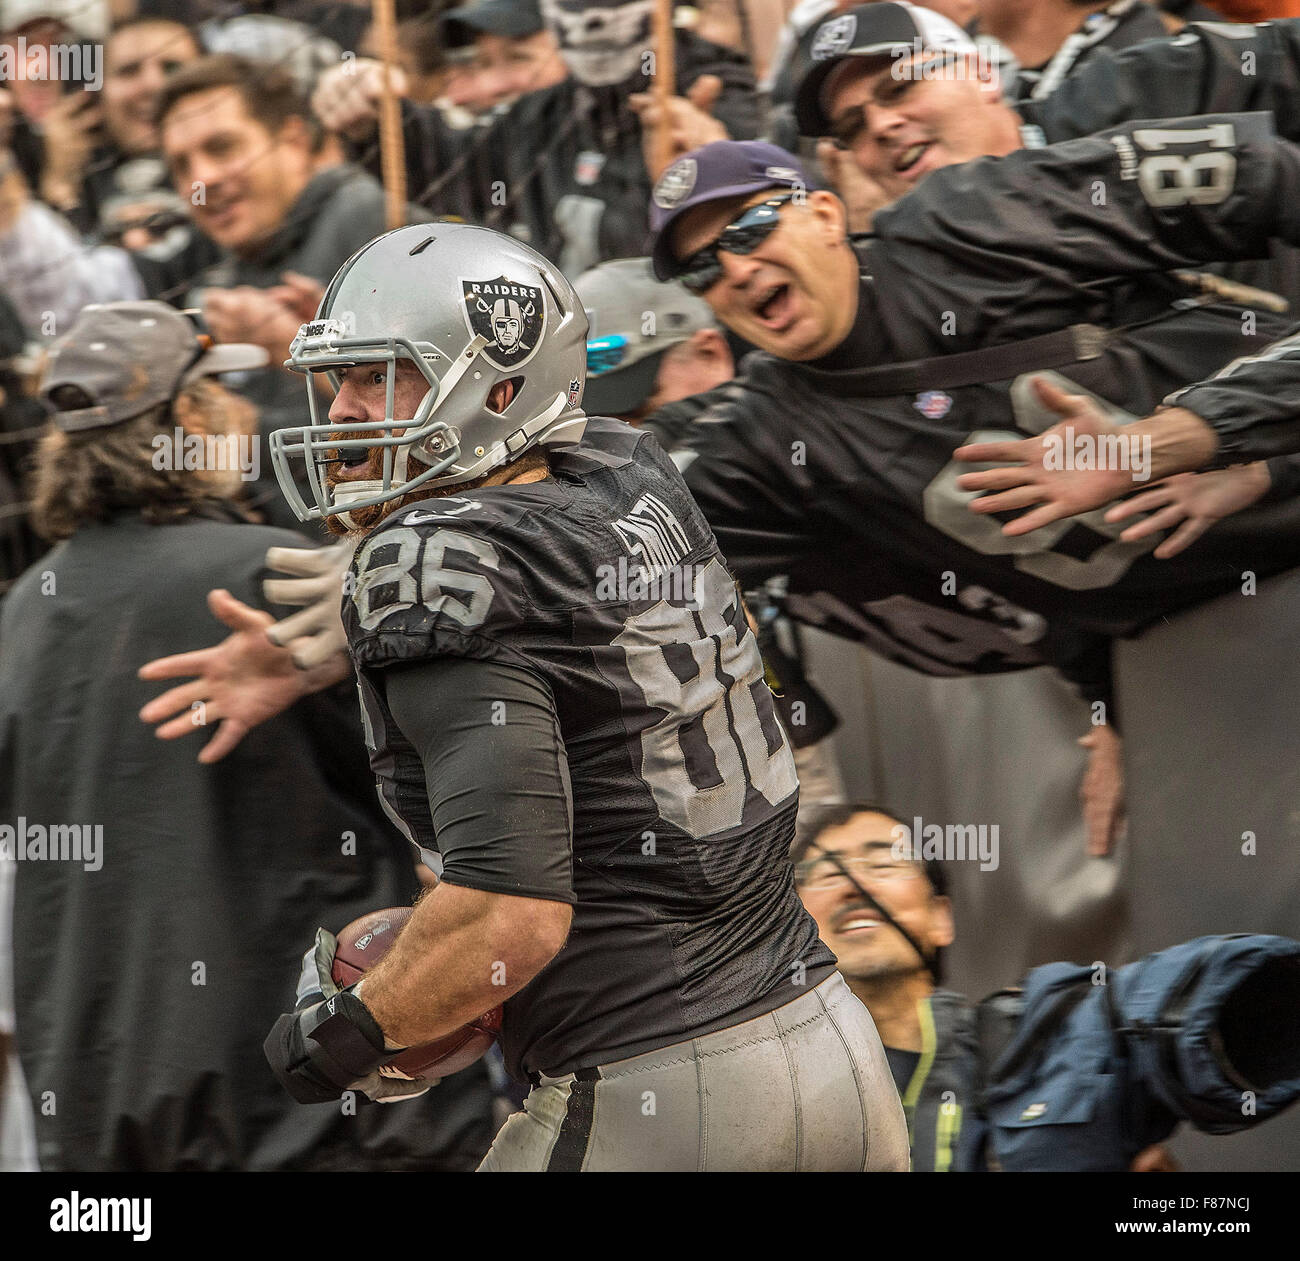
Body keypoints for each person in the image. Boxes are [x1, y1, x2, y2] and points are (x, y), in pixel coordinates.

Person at [226, 221, 907, 1172]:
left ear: (500, 388)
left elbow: (512, 915)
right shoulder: (629, 468)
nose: (343, 412)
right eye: (341, 378)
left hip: (658, 1085)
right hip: (832, 1041)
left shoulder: (427, 561)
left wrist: (346, 1034)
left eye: (382, 377)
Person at [646, 137, 1300, 856]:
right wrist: (1114, 698)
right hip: (1226, 648)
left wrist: (1192, 433)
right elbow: (608, 555)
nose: (736, 268)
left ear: (826, 214)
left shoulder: (978, 217)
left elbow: (1268, 171)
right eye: (703, 267)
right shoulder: (766, 441)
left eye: (750, 228)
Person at [0, 299, 497, 1170]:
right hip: (326, 1100)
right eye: (222, 391)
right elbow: (447, 797)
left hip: (103, 1119)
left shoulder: (21, 615)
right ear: (191, 418)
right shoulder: (281, 573)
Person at [156, 53, 429, 534]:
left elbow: (444, 423)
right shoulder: (218, 272)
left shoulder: (372, 223)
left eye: (222, 148)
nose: (202, 179)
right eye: (181, 166)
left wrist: (303, 353)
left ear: (295, 139)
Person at [310, 0, 761, 275]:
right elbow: (459, 170)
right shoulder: (550, 113)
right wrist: (375, 121)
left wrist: (717, 173)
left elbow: (761, 231)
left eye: (518, 56)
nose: (492, 86)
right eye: (481, 64)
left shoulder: (714, 94)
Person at [793, 803, 972, 1172]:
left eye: (883, 865)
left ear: (941, 917)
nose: (855, 888)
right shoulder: (774, 1092)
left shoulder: (1014, 1053)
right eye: (828, 873)